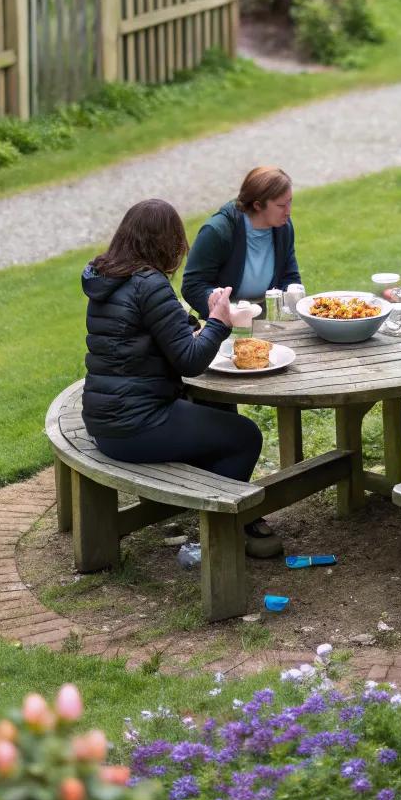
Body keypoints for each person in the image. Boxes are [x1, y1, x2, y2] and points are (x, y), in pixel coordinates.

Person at [81, 197, 283, 559]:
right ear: (165, 242)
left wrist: (195, 322)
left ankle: (230, 511)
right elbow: (190, 361)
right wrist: (219, 322)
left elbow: (149, 331)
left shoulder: (107, 279)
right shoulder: (149, 283)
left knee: (215, 406)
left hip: (103, 419)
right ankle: (221, 538)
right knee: (244, 437)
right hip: (136, 427)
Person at [182, 166, 300, 320]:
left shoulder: (283, 227)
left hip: (267, 320)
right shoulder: (218, 231)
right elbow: (192, 285)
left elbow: (290, 277)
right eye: (281, 205)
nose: (288, 211)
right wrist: (224, 309)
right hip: (222, 324)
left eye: (289, 202)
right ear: (257, 205)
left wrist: (294, 296)